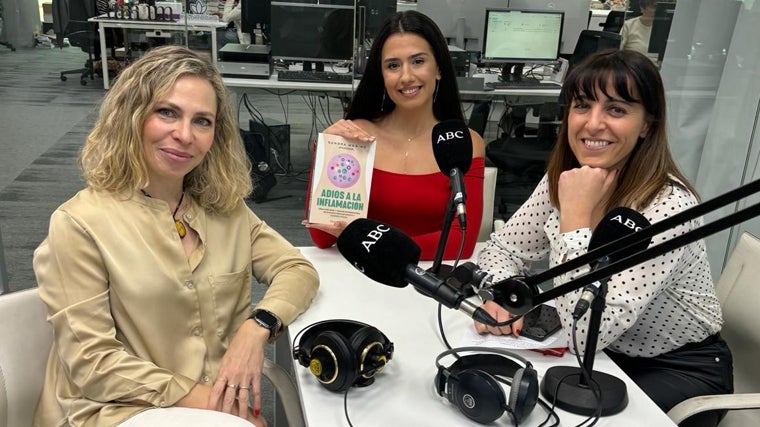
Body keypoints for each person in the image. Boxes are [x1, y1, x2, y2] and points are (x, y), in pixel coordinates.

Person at [32, 45, 319, 427]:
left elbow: (297, 268)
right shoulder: (80, 223)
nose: (184, 135)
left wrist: (258, 326)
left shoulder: (225, 209)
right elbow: (93, 364)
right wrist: (212, 404)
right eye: (166, 112)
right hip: (117, 409)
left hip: (216, 409)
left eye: (202, 121)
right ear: (131, 116)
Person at [473, 50, 733, 427]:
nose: (593, 124)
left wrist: (575, 219)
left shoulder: (668, 204)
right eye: (582, 105)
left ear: (647, 124)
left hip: (678, 368)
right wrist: (501, 297)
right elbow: (501, 249)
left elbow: (587, 333)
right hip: (606, 356)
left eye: (616, 110)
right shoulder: (568, 177)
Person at [302, 10, 486, 260]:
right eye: (393, 65)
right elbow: (322, 238)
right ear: (381, 74)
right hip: (359, 275)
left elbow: (461, 243)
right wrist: (325, 153)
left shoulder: (464, 143)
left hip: (428, 282)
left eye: (418, 61)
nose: (406, 76)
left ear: (439, 69)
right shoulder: (354, 138)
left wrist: (372, 245)